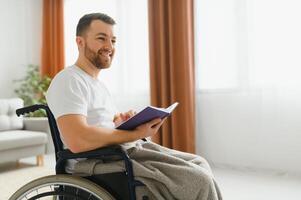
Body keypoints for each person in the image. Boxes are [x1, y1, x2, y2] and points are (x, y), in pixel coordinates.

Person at [46, 13, 222, 200]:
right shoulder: (68, 80)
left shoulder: (97, 84)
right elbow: (78, 140)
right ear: (80, 42)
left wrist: (121, 122)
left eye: (113, 40)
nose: (110, 47)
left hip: (117, 152)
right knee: (198, 180)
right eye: (101, 38)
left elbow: (98, 124)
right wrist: (136, 134)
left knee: (199, 163)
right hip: (97, 164)